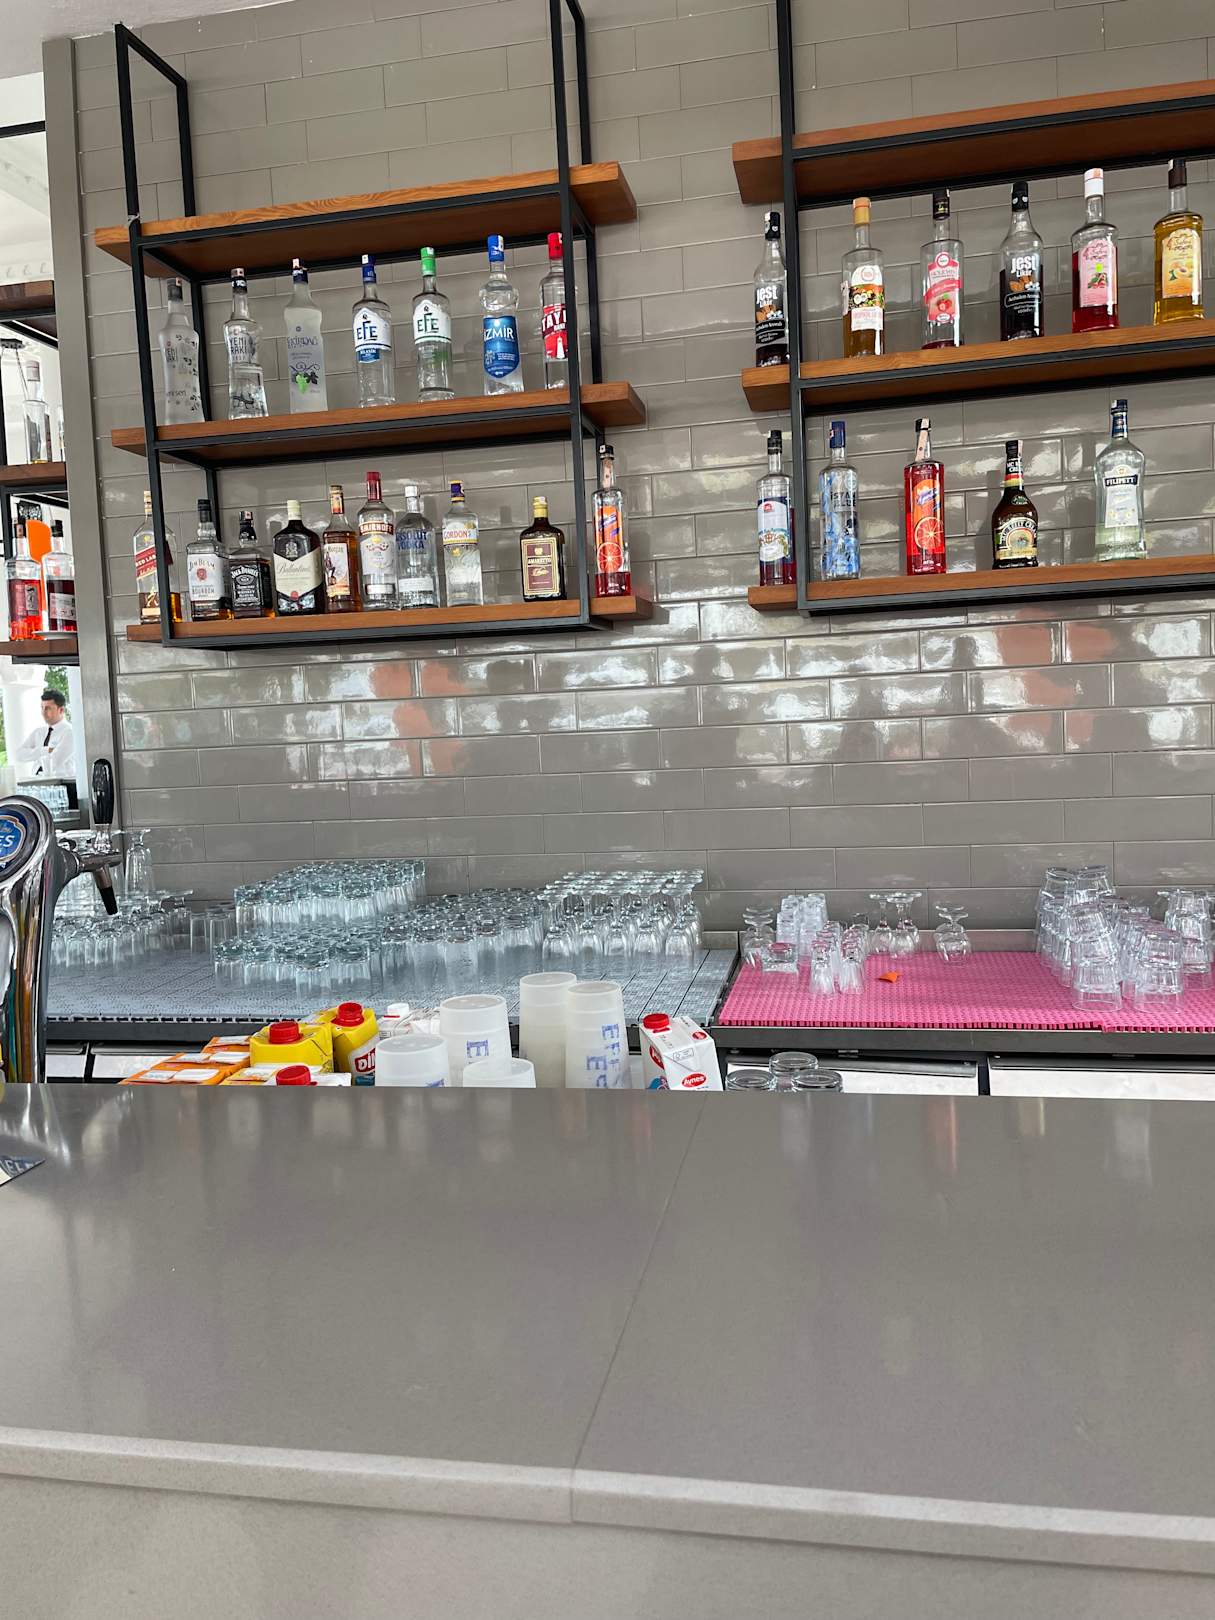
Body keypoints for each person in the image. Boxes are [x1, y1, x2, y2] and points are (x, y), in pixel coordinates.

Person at [13, 688, 75, 778]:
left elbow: (54, 762)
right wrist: (45, 750)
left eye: (48, 708)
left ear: (61, 710)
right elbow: (18, 755)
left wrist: (33, 755)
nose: (43, 712)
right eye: (42, 708)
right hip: (38, 781)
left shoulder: (70, 732)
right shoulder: (39, 732)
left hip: (61, 782)